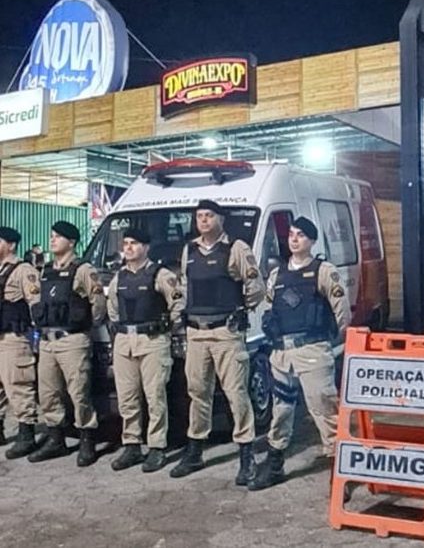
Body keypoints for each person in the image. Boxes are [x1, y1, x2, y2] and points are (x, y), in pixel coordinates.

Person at [249, 216, 350, 491]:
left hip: (312, 351)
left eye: (301, 235)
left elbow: (342, 312)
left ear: (312, 241)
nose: (294, 239)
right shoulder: (277, 274)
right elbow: (269, 308)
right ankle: (275, 465)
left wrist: (330, 340)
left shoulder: (324, 271)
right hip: (282, 353)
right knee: (281, 411)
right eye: (292, 234)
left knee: (324, 410)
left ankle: (340, 473)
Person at [170, 199, 266, 484]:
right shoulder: (189, 250)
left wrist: (239, 311)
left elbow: (256, 287)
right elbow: (184, 288)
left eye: (209, 215)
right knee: (198, 392)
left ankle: (246, 455)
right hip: (196, 333)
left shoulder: (236, 249)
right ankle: (195, 451)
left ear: (220, 219)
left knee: (236, 393)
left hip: (226, 333)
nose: (203, 220)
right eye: (199, 216)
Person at [28, 221, 106, 467]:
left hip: (72, 340)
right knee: (48, 393)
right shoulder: (46, 270)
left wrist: (86, 326)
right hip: (47, 341)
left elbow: (98, 302)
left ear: (71, 242)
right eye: (51, 236)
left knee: (79, 392)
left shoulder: (83, 269)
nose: (52, 240)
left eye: (58, 237)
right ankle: (56, 439)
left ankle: (87, 439)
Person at [107, 227, 185, 473]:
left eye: (134, 243)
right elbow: (112, 309)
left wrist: (166, 329)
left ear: (146, 247)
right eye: (126, 243)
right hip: (124, 342)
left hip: (152, 341)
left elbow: (178, 304)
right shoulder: (119, 277)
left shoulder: (160, 275)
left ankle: (156, 447)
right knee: (127, 398)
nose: (128, 248)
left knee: (155, 397)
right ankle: (131, 445)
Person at [0, 226, 40, 459]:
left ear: (11, 245)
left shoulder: (23, 270)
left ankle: (27, 434)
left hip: (14, 338)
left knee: (18, 386)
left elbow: (36, 304)